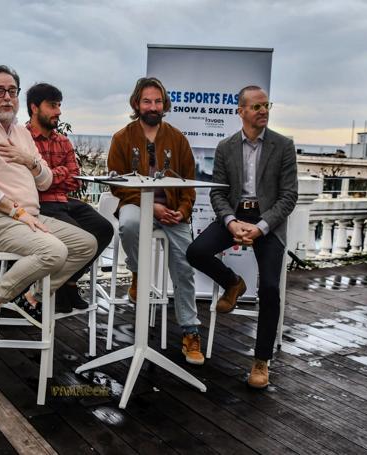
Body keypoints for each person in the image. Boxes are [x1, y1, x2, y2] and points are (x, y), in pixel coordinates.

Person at [0, 65, 97, 340]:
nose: (7, 97)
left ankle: (31, 299)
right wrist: (17, 211)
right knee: (54, 251)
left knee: (85, 245)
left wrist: (28, 160)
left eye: (12, 91)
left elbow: (44, 181)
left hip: (26, 218)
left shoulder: (20, 133)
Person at [186, 85, 298, 388]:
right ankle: (233, 283)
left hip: (268, 223)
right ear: (241, 111)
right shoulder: (225, 147)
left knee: (272, 288)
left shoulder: (283, 146)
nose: (263, 111)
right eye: (256, 107)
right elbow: (219, 194)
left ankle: (261, 361)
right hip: (235, 217)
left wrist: (260, 227)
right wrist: (232, 223)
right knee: (195, 251)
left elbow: (289, 197)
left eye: (266, 106)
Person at [107, 77, 204, 365]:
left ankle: (190, 330)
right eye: (147, 101)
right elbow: (116, 183)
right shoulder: (121, 138)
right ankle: (138, 272)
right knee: (128, 225)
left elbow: (188, 184)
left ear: (164, 104)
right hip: (137, 204)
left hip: (173, 210)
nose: (153, 106)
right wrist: (151, 208)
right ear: (137, 103)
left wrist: (183, 211)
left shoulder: (178, 139)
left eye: (158, 101)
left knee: (185, 264)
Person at [26, 82, 113, 313]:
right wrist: (59, 173)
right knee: (80, 237)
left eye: (59, 106)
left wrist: (49, 174)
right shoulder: (23, 139)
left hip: (62, 201)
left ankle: (70, 282)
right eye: (53, 106)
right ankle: (55, 290)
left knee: (104, 228)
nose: (59, 112)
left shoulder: (62, 141)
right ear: (34, 108)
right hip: (39, 205)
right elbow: (30, 182)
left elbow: (75, 180)